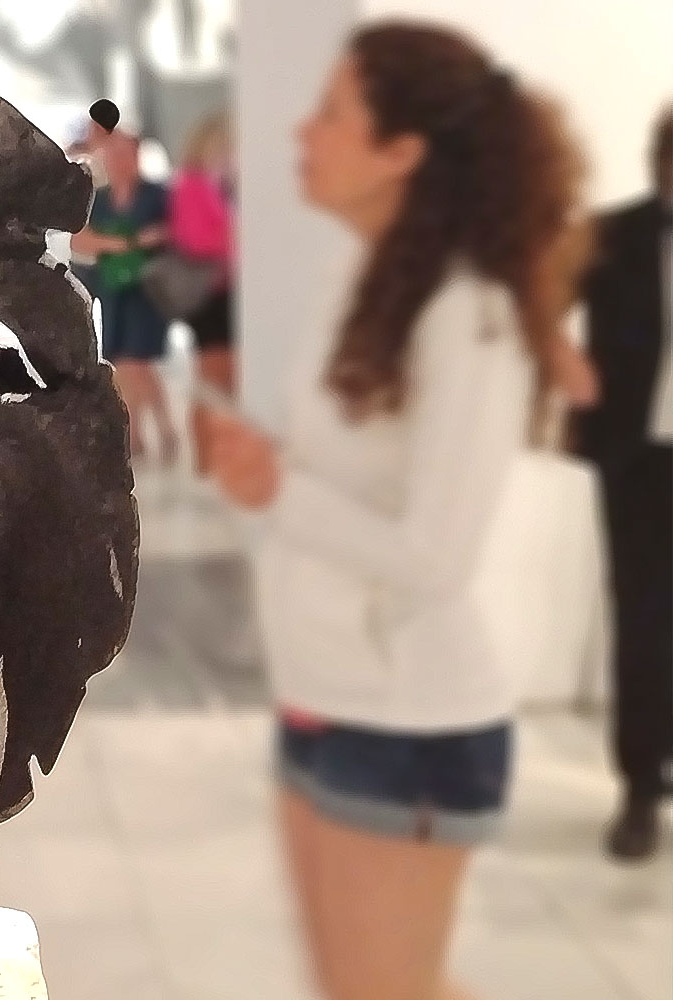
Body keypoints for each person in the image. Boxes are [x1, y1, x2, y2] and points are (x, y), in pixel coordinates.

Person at [206, 22, 588, 1000]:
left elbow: (434, 557)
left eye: (332, 112)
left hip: (409, 719)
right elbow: (347, 478)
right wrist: (271, 467)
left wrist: (279, 487)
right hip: (323, 693)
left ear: (401, 152)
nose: (302, 131)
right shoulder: (367, 276)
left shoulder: (472, 317)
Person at [577, 105, 673, 863]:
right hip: (638, 458)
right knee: (641, 621)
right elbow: (535, 301)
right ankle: (640, 785)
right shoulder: (612, 236)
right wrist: (568, 379)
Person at [72, 129, 178, 462]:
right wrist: (126, 243)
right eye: (113, 155)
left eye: (126, 154)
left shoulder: (157, 195)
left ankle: (143, 433)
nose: (119, 162)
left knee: (137, 361)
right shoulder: (101, 200)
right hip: (113, 288)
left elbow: (171, 232)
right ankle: (154, 431)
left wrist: (141, 241)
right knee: (127, 362)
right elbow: (80, 240)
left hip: (148, 289)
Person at [171, 111, 238, 476]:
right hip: (210, 293)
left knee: (221, 377)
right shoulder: (193, 184)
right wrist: (234, 240)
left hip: (221, 290)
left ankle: (211, 459)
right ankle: (205, 460)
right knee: (213, 378)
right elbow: (195, 240)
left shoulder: (209, 184)